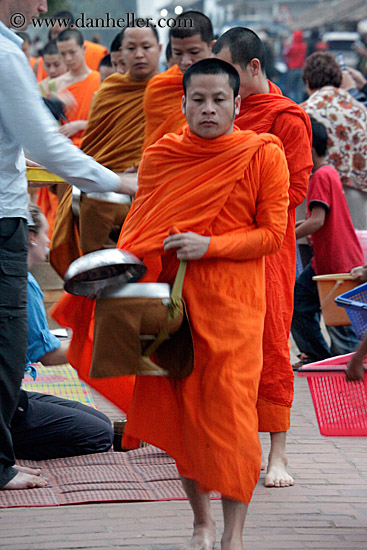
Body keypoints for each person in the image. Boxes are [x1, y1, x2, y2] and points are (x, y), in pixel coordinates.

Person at [52, 58, 290, 548]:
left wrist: (211, 245)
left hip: (235, 309)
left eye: (219, 100)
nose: (208, 109)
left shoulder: (263, 153)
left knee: (233, 417)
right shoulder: (163, 156)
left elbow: (271, 235)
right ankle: (201, 521)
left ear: (236, 103)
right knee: (181, 412)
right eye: (197, 100)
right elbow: (139, 230)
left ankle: (234, 535)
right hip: (171, 308)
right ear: (182, 103)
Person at [0, 0, 135, 491]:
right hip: (6, 217)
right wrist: (121, 184)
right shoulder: (6, 54)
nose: (40, 7)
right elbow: (47, 146)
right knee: (8, 341)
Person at [213, 27, 313, 488]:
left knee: (271, 339)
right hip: (222, 245)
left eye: (230, 72)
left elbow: (296, 190)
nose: (221, 87)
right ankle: (233, 443)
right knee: (227, 344)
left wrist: (241, 197)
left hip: (268, 246)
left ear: (253, 67)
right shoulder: (220, 110)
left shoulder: (285, 118)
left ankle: (279, 453)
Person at [50, 25, 161, 277]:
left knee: (148, 273)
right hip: (102, 195)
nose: (139, 54)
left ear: (159, 49)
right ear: (121, 53)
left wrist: (145, 166)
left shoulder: (172, 91)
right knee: (99, 274)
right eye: (131, 48)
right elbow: (94, 146)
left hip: (151, 197)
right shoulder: (110, 90)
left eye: (146, 47)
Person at [11, 205, 113, 460]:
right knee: (100, 434)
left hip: (11, 393)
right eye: (46, 232)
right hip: (7, 402)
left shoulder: (16, 275)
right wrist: (103, 344)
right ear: (31, 237)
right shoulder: (22, 282)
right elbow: (48, 355)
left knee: (99, 420)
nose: (48, 239)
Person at [292, 118, 363, 364]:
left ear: (308, 149)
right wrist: (291, 228)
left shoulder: (320, 176)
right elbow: (314, 220)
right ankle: (319, 357)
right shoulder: (329, 171)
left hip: (336, 264)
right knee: (299, 302)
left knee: (341, 326)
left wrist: (282, 236)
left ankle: (340, 365)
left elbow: (317, 221)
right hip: (325, 261)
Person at [302, 51, 367, 231]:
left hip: (315, 200)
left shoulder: (303, 112)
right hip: (358, 201)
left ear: (307, 82)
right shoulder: (360, 110)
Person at [143, 10, 213, 150]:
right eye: (178, 53)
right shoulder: (160, 87)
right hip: (168, 163)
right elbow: (155, 141)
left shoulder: (227, 83)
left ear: (211, 47)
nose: (185, 61)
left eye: (194, 52)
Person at [54, 28, 101, 147]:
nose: (68, 58)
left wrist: (80, 125)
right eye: (63, 54)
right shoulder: (56, 84)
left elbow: (107, 122)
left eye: (72, 52)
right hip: (65, 148)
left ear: (83, 49)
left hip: (92, 146)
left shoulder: (99, 80)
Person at [284, 29, 307, 103]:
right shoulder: (304, 46)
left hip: (292, 69)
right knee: (299, 89)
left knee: (291, 89)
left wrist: (287, 44)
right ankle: (300, 105)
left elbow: (286, 54)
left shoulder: (292, 47)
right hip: (301, 69)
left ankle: (292, 104)